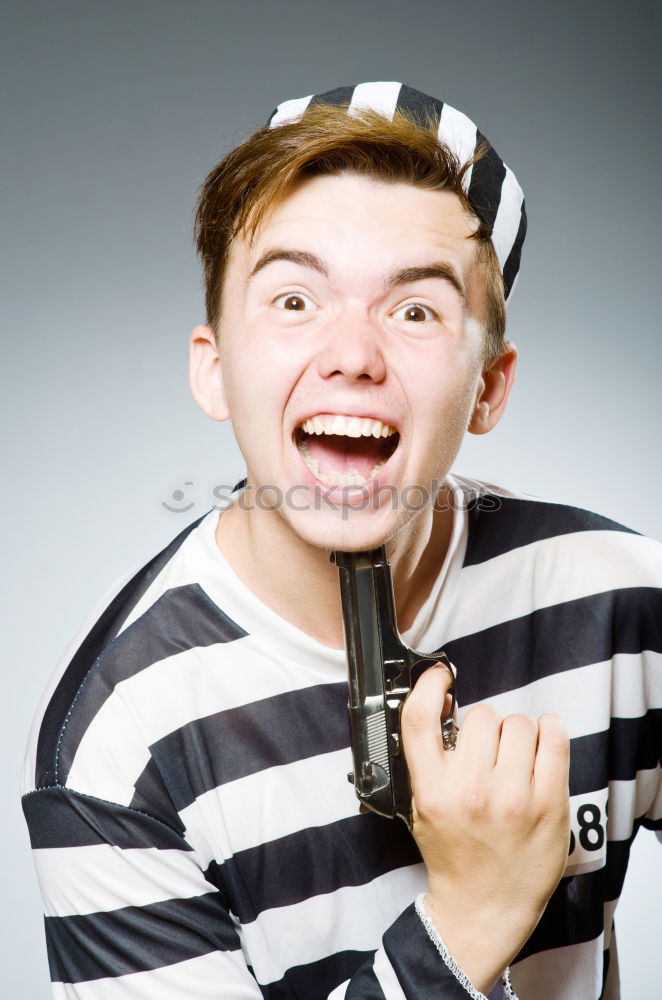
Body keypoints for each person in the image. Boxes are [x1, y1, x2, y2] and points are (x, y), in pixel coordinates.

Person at [22, 82, 661, 1000]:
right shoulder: (121, 748)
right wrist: (469, 920)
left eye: (415, 311)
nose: (353, 353)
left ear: (487, 387)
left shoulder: (626, 609)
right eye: (293, 300)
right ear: (215, 367)